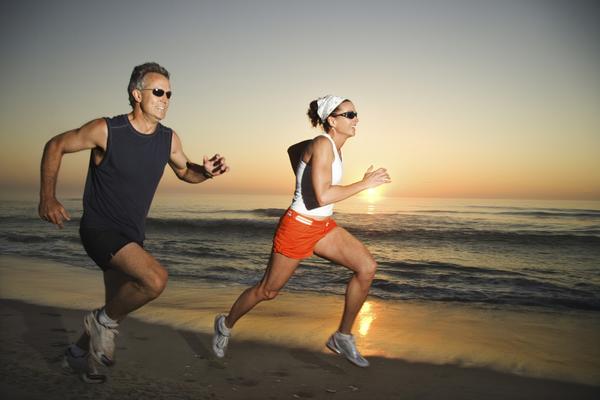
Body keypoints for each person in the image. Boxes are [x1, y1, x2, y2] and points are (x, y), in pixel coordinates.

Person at [38, 62, 229, 382]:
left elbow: (185, 172)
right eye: (158, 92)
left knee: (116, 305)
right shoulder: (107, 129)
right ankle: (100, 325)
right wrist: (47, 197)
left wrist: (206, 173)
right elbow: (55, 145)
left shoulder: (168, 139)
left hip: (131, 235)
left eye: (169, 94)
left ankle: (79, 354)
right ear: (136, 94)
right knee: (154, 280)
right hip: (99, 229)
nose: (165, 99)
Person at [212, 95, 390, 367]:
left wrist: (301, 177)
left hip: (322, 226)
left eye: (356, 113)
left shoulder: (328, 146)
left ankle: (342, 336)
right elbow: (322, 195)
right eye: (350, 114)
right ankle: (225, 324)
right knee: (267, 291)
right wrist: (365, 184)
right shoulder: (322, 144)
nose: (356, 119)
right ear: (332, 120)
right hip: (297, 226)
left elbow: (293, 151)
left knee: (367, 268)